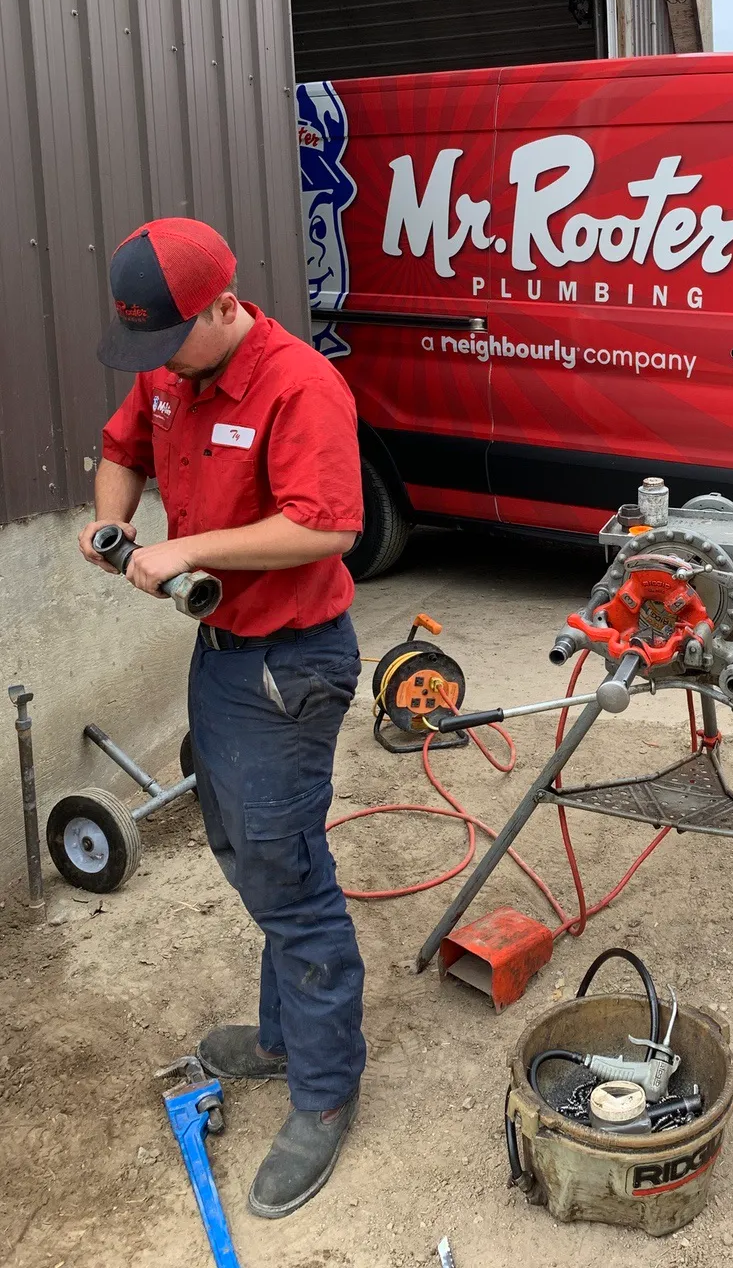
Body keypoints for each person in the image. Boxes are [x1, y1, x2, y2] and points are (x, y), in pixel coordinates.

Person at [78, 217, 366, 1218]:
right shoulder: (172, 373)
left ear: (222, 307)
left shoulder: (298, 384)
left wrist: (189, 551)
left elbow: (329, 523)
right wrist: (117, 518)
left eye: (170, 341)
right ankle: (284, 1035)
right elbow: (121, 448)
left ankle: (324, 1093)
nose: (157, 366)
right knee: (245, 844)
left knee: (288, 873)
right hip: (222, 656)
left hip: (292, 662)